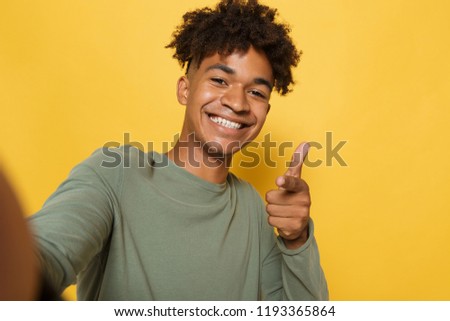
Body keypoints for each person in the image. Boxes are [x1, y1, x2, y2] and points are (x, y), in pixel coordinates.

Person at [28, 0, 328, 300]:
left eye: (256, 92)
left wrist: (296, 241)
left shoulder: (255, 210)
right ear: (185, 89)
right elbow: (42, 256)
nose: (237, 103)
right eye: (220, 80)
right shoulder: (115, 174)